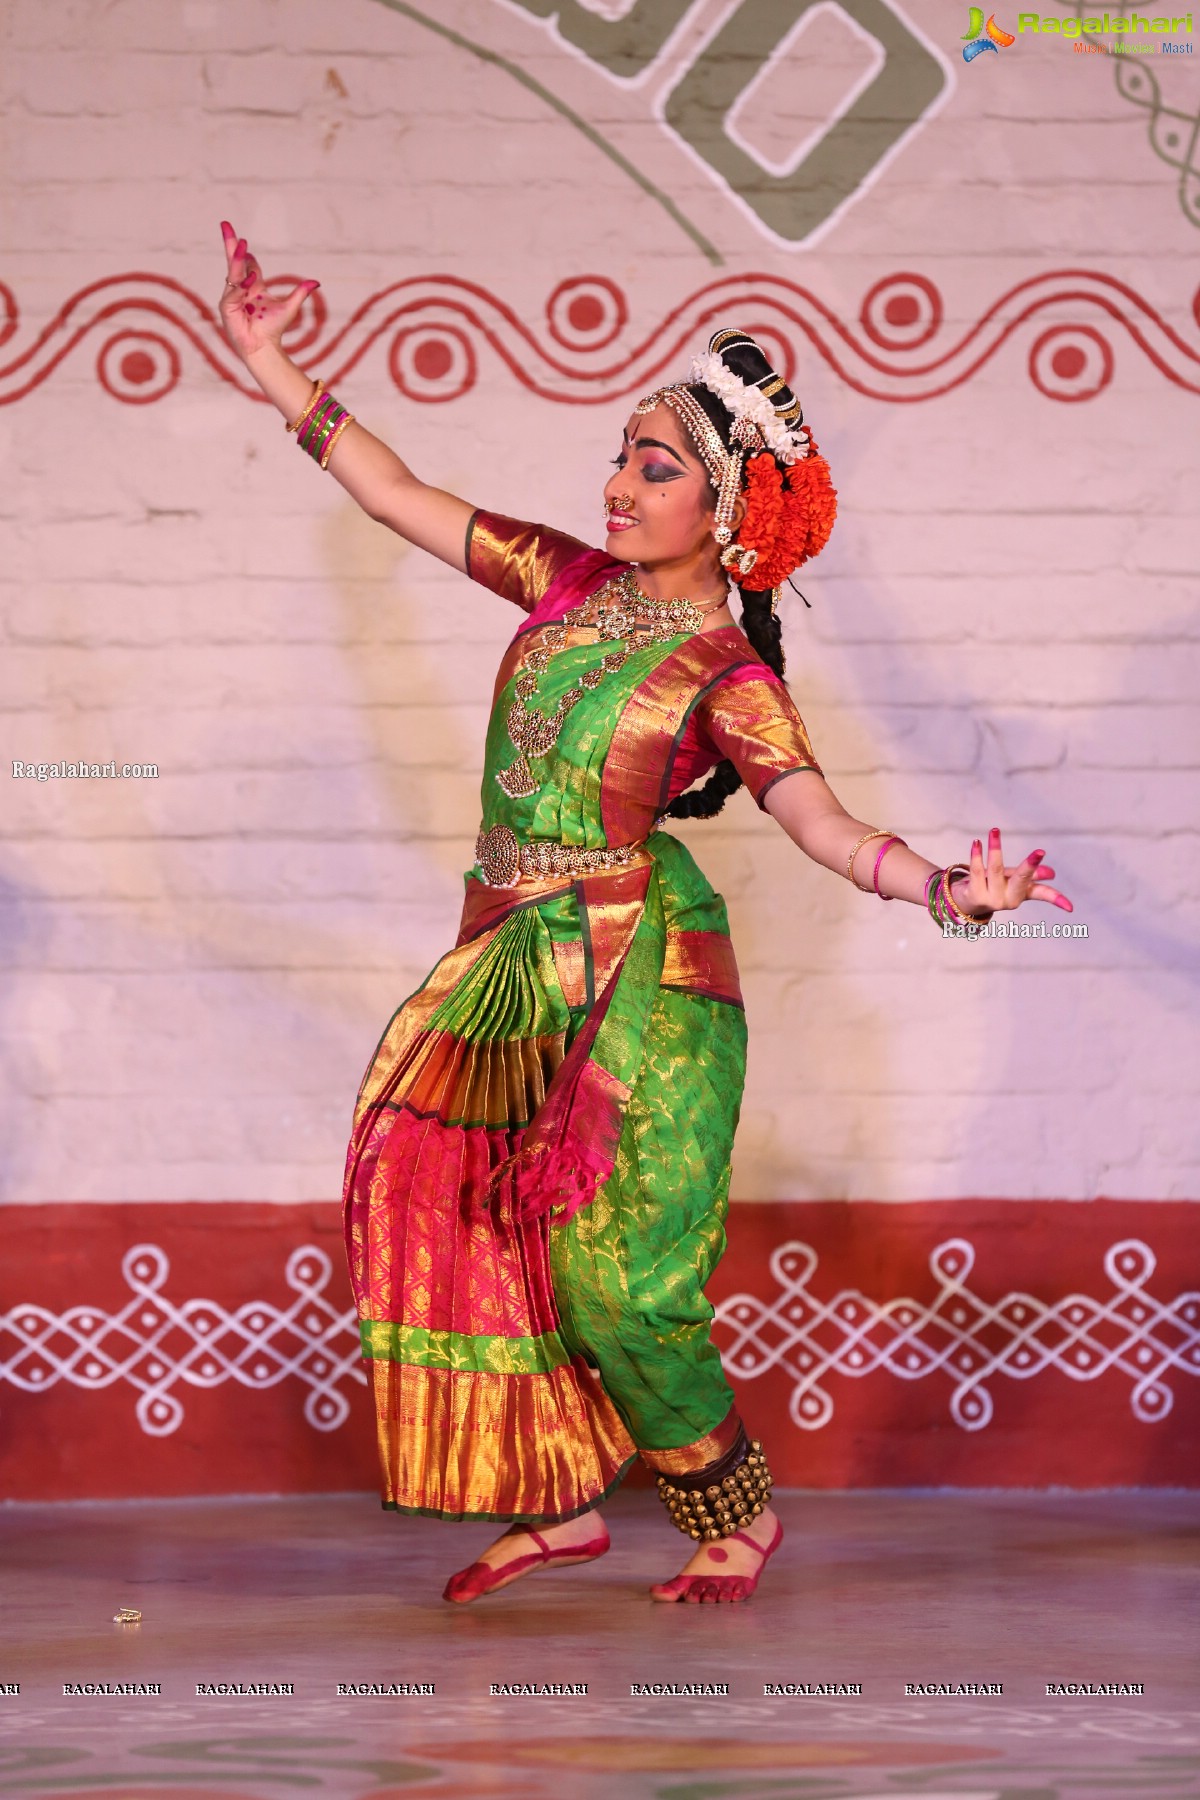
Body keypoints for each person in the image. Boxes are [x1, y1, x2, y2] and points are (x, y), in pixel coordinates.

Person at [217, 223, 1074, 1606]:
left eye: (654, 467)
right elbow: (394, 494)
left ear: (725, 516)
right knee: (479, 1229)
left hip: (646, 980)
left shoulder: (728, 673)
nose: (617, 484)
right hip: (506, 963)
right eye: (620, 456)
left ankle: (732, 1509)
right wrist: (271, 360)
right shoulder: (561, 578)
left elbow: (820, 822)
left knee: (616, 1270)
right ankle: (559, 1500)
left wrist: (946, 891)